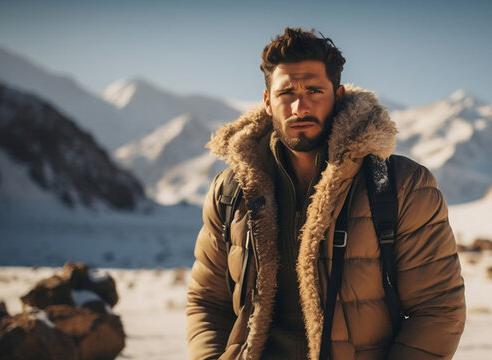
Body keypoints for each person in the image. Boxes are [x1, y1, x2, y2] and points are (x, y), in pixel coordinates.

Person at [186, 27, 465, 360]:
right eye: (286, 92)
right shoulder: (231, 191)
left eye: (315, 90)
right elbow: (207, 302)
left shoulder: (403, 185)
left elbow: (438, 308)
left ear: (339, 95)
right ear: (267, 102)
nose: (300, 106)